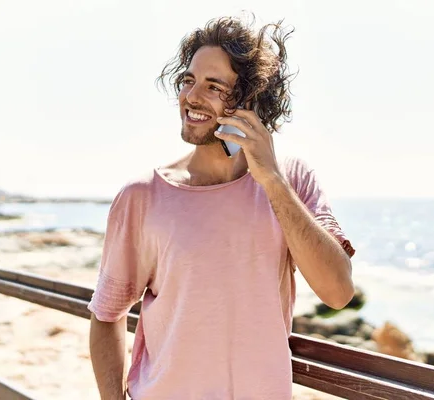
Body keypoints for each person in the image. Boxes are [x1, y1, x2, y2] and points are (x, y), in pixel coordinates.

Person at [88, 15, 356, 400]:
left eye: (214, 86)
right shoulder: (143, 196)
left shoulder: (292, 179)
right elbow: (105, 315)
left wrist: (272, 182)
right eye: (188, 80)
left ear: (250, 101)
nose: (191, 96)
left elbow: (338, 292)